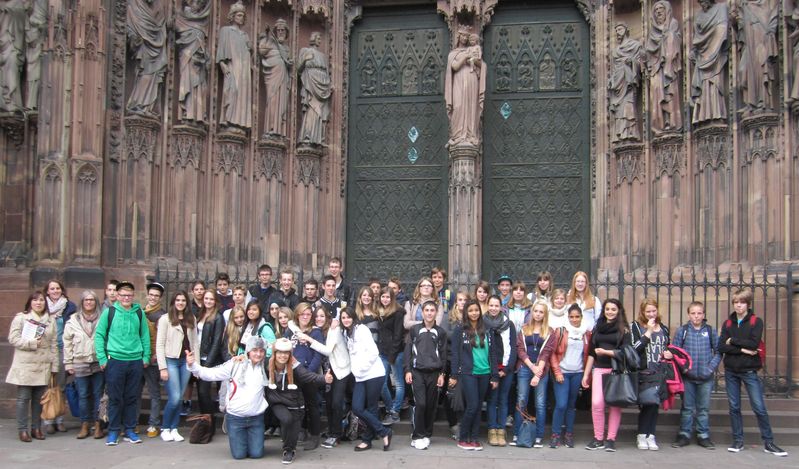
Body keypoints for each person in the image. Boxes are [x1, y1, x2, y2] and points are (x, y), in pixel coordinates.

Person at [718, 289, 787, 457]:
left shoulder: (756, 321)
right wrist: (742, 348)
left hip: (749, 370)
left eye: (741, 302)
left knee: (759, 407)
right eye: (735, 302)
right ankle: (738, 440)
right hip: (731, 371)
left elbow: (753, 343)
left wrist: (732, 341)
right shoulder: (728, 323)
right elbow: (721, 346)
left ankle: (769, 442)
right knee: (734, 407)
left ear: (748, 304)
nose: (738, 305)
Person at [187, 336, 268, 459]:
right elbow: (211, 374)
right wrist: (192, 365)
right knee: (239, 455)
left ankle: (251, 439)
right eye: (255, 350)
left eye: (261, 351)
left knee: (256, 454)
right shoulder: (235, 364)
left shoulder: (266, 367)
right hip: (236, 418)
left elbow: (282, 359)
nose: (258, 354)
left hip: (256, 419)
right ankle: (241, 438)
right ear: (248, 351)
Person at [94, 281, 150, 446]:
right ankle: (113, 430)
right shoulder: (109, 312)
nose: (126, 298)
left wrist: (145, 357)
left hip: (135, 360)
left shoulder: (139, 312)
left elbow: (145, 335)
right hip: (115, 361)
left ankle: (130, 429)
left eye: (129, 295)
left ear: (133, 296)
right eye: (123, 295)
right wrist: (102, 358)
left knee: (132, 397)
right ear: (117, 296)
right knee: (115, 398)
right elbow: (99, 335)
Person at [264, 338, 333, 464]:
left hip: (295, 403)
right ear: (274, 353)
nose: (283, 355)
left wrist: (323, 379)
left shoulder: (295, 366)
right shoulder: (267, 364)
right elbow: (252, 359)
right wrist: (240, 358)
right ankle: (287, 448)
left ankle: (290, 450)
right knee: (286, 419)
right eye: (279, 352)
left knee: (293, 431)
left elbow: (307, 376)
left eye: (286, 353)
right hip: (278, 401)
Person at [6, 290, 58, 442]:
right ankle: (22, 430)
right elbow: (13, 338)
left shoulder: (51, 320)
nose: (38, 302)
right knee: (23, 398)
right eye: (35, 300)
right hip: (25, 365)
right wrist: (31, 343)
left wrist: (55, 367)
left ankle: (36, 428)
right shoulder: (21, 318)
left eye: (41, 300)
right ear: (30, 302)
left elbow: (54, 344)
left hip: (43, 365)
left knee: (38, 399)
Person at [582, 298, 631, 452]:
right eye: (607, 309)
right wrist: (586, 374)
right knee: (597, 404)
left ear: (619, 311)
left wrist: (606, 352)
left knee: (615, 405)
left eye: (613, 309)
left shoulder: (624, 330)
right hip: (599, 369)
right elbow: (591, 353)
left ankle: (610, 439)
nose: (610, 312)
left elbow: (626, 352)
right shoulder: (598, 328)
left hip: (616, 371)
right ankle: (598, 438)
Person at [340, 308, 393, 451]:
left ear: (354, 317)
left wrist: (360, 369)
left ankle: (367, 440)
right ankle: (384, 431)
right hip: (360, 376)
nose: (346, 320)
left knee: (371, 407)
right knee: (357, 407)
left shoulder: (362, 329)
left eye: (348, 317)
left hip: (373, 374)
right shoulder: (346, 332)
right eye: (343, 317)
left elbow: (373, 352)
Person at [300, 307, 353, 449]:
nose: (319, 319)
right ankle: (331, 431)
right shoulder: (316, 331)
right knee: (329, 402)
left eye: (322, 316)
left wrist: (309, 339)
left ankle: (336, 434)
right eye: (316, 316)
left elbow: (328, 350)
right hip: (327, 371)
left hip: (341, 370)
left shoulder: (333, 329)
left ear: (327, 317)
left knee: (336, 402)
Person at [450, 299, 498, 450]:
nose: (474, 313)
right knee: (472, 405)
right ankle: (463, 438)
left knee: (478, 407)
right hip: (468, 373)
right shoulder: (460, 330)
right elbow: (455, 354)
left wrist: (495, 375)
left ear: (480, 311)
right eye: (470, 310)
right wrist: (454, 374)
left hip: (485, 373)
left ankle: (475, 438)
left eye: (476, 310)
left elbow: (493, 354)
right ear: (466, 312)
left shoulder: (488, 329)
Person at [671, 301, 720, 449]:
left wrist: (710, 368)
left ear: (704, 314)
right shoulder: (683, 331)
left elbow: (718, 352)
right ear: (689, 314)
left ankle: (703, 435)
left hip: (706, 377)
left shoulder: (711, 331)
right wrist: (684, 369)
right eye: (693, 313)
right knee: (687, 407)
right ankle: (684, 434)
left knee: (703, 408)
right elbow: (676, 352)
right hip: (688, 377)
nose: (696, 316)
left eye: (699, 313)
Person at [156, 290, 198, 442]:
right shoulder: (165, 319)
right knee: (174, 397)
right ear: (173, 302)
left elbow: (194, 344)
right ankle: (165, 427)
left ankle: (174, 428)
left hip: (186, 362)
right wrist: (162, 367)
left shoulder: (191, 318)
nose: (180, 303)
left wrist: (196, 366)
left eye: (183, 300)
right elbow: (159, 344)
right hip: (171, 361)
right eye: (178, 300)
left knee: (180, 397)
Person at [404, 300, 447, 450]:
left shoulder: (440, 332)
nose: (429, 313)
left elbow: (443, 354)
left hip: (434, 373)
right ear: (422, 312)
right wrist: (408, 370)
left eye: (432, 310)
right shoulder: (415, 330)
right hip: (417, 372)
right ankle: (417, 435)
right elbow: (408, 351)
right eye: (426, 310)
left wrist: (442, 373)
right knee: (420, 404)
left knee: (430, 405)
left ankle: (427, 434)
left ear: (436, 313)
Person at [631, 298, 672, 450]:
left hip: (660, 370)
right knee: (648, 403)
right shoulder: (636, 326)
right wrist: (648, 331)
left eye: (653, 311)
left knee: (655, 404)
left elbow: (667, 346)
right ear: (642, 312)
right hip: (645, 371)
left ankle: (651, 435)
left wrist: (669, 354)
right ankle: (642, 434)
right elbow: (635, 349)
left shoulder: (664, 328)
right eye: (648, 311)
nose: (651, 314)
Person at [63, 290, 105, 439]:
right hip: (80, 362)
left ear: (96, 302)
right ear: (82, 302)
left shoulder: (103, 318)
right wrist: (68, 363)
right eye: (86, 300)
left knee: (99, 395)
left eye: (92, 300)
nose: (89, 302)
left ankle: (98, 424)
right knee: (83, 395)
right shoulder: (73, 320)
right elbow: (67, 343)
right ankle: (85, 424)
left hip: (98, 362)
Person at [548, 303, 591, 448]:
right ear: (568, 317)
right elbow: (552, 353)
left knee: (571, 406)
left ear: (581, 317)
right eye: (571, 317)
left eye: (577, 316)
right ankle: (555, 434)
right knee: (561, 404)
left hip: (577, 373)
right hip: (562, 372)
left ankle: (569, 434)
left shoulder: (586, 333)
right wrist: (557, 371)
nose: (574, 319)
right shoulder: (561, 331)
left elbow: (588, 354)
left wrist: (586, 374)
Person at [513, 300, 554, 447]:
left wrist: (538, 373)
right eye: (535, 311)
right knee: (521, 400)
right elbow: (520, 350)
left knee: (540, 403)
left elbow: (547, 352)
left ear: (545, 314)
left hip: (541, 370)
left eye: (541, 312)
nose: (538, 314)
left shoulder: (550, 331)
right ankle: (517, 433)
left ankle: (538, 435)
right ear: (531, 313)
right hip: (525, 368)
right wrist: (531, 367)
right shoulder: (524, 329)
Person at [284, 302, 323, 450]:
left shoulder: (315, 332)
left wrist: (309, 373)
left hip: (309, 373)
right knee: (296, 404)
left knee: (312, 405)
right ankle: (300, 431)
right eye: (302, 314)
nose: (305, 317)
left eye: (308, 314)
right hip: (293, 372)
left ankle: (314, 435)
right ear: (297, 315)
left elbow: (318, 355)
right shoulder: (291, 331)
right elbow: (286, 349)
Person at [43, 279, 76, 433]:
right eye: (52, 288)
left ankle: (60, 419)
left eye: (58, 288)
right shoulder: (41, 306)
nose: (55, 291)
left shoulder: (69, 307)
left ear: (62, 290)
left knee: (61, 386)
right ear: (47, 291)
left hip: (62, 349)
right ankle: (48, 420)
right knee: (47, 386)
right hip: (46, 351)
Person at [484, 295, 517, 447]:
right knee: (492, 400)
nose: (493, 308)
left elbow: (513, 347)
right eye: (491, 305)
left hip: (506, 368)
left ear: (501, 307)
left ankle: (501, 429)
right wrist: (495, 372)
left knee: (503, 399)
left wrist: (508, 368)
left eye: (496, 306)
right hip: (491, 369)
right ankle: (492, 429)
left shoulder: (508, 324)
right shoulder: (483, 323)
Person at [196, 290, 225, 431]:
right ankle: (204, 422)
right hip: (199, 358)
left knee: (204, 392)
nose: (208, 301)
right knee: (201, 393)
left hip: (209, 360)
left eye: (211, 299)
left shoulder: (218, 318)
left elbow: (216, 342)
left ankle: (209, 425)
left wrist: (207, 364)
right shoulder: (200, 314)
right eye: (206, 298)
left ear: (215, 301)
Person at [377, 287, 406, 425]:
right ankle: (390, 408)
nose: (385, 299)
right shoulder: (378, 311)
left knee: (399, 383)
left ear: (392, 298)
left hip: (396, 352)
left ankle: (396, 411)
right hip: (382, 351)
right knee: (382, 383)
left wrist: (393, 355)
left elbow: (398, 334)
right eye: (383, 297)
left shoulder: (398, 312)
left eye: (388, 297)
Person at [142, 281, 166, 438]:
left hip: (153, 358)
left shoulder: (163, 315)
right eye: (151, 295)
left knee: (154, 392)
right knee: (134, 392)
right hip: (138, 356)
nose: (153, 298)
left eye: (156, 296)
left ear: (160, 298)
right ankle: (131, 423)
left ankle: (153, 423)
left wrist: (157, 354)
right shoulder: (140, 312)